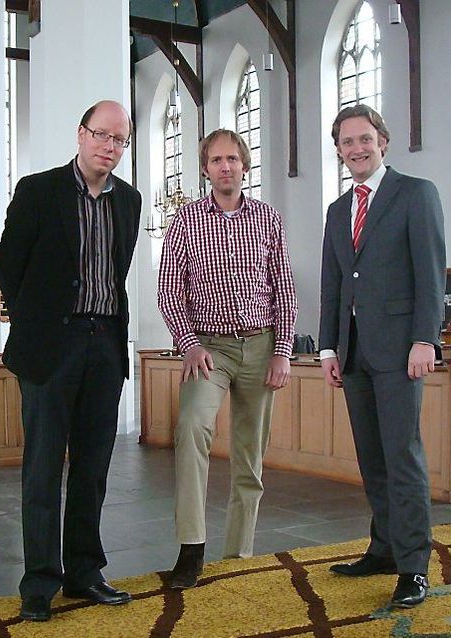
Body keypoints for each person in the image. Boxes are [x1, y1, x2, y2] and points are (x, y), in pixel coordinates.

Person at [0, 100, 141, 622]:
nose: (110, 147)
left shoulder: (130, 200)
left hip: (105, 344)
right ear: (80, 134)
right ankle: (39, 583)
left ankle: (84, 572)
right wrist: (41, 321)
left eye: (119, 140)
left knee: (93, 467)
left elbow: (117, 273)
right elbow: (10, 267)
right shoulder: (38, 191)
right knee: (42, 469)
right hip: (52, 346)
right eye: (102, 135)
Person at [157, 129, 298, 589]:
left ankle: (238, 552)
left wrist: (282, 351)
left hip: (260, 345)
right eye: (216, 160)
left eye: (233, 159)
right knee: (192, 426)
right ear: (205, 168)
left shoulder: (267, 218)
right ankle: (191, 548)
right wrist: (189, 343)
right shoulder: (184, 221)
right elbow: (168, 290)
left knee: (249, 454)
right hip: (209, 349)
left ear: (245, 165)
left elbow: (285, 290)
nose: (225, 167)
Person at [318, 104, 446, 608]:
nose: (356, 148)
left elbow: (431, 272)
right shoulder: (337, 210)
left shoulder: (415, 194)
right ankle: (385, 548)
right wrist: (329, 345)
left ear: (383, 141)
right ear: (339, 151)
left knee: (402, 456)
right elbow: (333, 283)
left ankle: (414, 566)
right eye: (347, 142)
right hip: (353, 354)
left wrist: (425, 338)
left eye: (364, 139)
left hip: (400, 350)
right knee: (372, 459)